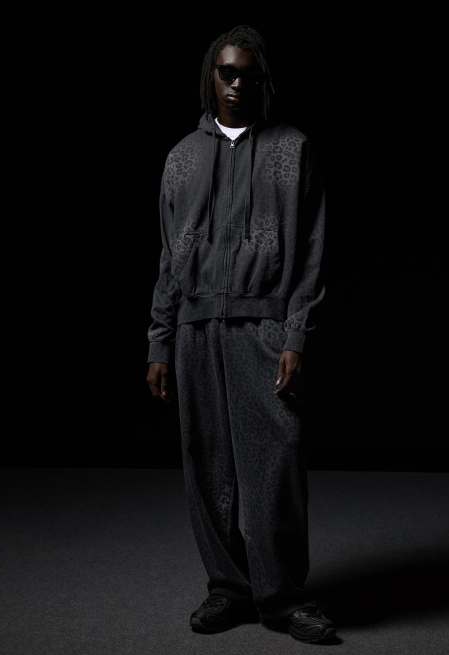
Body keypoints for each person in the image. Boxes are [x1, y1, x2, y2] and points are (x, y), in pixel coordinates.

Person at [145, 24, 335, 644]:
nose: (236, 85)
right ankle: (228, 589)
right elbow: (169, 256)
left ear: (262, 81)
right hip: (196, 329)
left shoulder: (292, 150)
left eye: (248, 76)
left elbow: (311, 252)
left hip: (264, 326)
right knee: (208, 467)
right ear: (211, 76)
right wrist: (159, 340)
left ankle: (283, 598)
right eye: (227, 73)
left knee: (274, 467)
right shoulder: (181, 158)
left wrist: (295, 334)